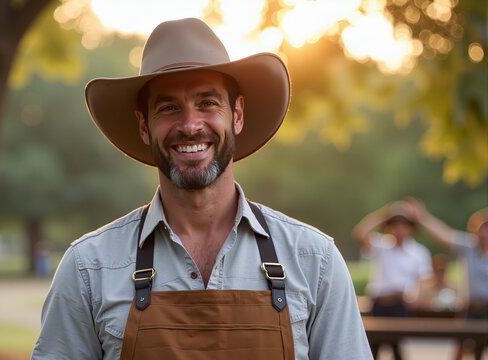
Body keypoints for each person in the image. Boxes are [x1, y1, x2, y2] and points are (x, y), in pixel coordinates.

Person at [32, 18, 372, 360]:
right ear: (144, 126)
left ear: (237, 114)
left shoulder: (314, 261)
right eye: (168, 108)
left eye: (207, 103)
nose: (190, 125)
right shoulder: (89, 267)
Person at [352, 200, 433, 360]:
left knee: (397, 347)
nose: (399, 230)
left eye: (404, 225)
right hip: (379, 303)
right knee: (372, 347)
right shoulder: (381, 246)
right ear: (388, 227)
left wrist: (416, 297)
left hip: (401, 304)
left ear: (410, 229)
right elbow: (359, 233)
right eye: (395, 225)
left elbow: (423, 280)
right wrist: (385, 214)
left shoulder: (418, 252)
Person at [410, 202, 488, 359]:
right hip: (471, 309)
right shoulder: (469, 247)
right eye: (482, 228)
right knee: (460, 346)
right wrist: (422, 218)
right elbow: (444, 235)